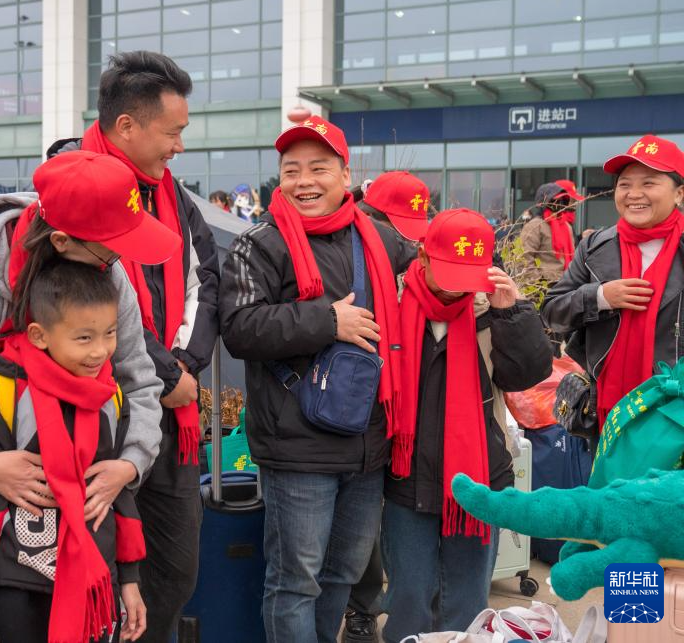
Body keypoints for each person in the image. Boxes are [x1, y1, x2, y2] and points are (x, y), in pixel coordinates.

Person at [0, 150, 174, 643]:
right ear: (61, 241)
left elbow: (140, 381)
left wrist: (130, 463)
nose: (119, 260)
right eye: (110, 249)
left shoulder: (108, 272)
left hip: (78, 511)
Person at [46, 51, 221, 641]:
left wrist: (183, 369)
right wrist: (167, 376)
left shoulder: (173, 196)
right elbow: (90, 304)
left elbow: (205, 280)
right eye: (172, 132)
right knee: (95, 567)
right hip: (94, 411)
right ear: (126, 126)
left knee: (175, 570)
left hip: (170, 414)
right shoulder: (70, 189)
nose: (179, 146)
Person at [220, 115, 414, 643]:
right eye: (291, 170)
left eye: (318, 168)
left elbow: (429, 276)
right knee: (295, 581)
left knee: (342, 574)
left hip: (368, 441)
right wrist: (328, 321)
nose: (304, 181)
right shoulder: (260, 244)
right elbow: (239, 327)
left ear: (345, 175)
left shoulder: (377, 238)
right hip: (297, 445)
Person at [0, 260, 147, 643]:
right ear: (39, 335)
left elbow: (117, 495)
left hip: (94, 582)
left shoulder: (110, 398)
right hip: (13, 587)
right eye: (84, 338)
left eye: (110, 333)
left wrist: (130, 579)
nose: (101, 351)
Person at [380, 209, 553, 643]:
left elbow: (525, 375)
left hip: (477, 479)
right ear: (422, 256)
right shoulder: (391, 304)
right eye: (448, 271)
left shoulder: (490, 311)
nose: (457, 286)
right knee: (408, 598)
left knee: (468, 599)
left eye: (467, 274)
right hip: (406, 478)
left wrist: (512, 314)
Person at [338, 169, 430, 643]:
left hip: (399, 405)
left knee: (371, 522)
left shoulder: (415, 257)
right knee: (353, 527)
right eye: (399, 229)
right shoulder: (349, 247)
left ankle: (365, 606)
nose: (407, 243)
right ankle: (360, 606)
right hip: (346, 402)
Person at [542, 135, 684, 434]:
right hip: (606, 410)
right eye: (625, 184)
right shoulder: (595, 247)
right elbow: (552, 312)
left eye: (648, 183)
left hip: (674, 413)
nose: (634, 194)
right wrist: (600, 297)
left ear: (679, 194)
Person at [520, 180, 584, 284]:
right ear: (544, 202)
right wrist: (539, 284)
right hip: (545, 286)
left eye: (562, 200)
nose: (559, 204)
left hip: (567, 283)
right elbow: (524, 259)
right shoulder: (535, 226)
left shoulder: (566, 226)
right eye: (555, 200)